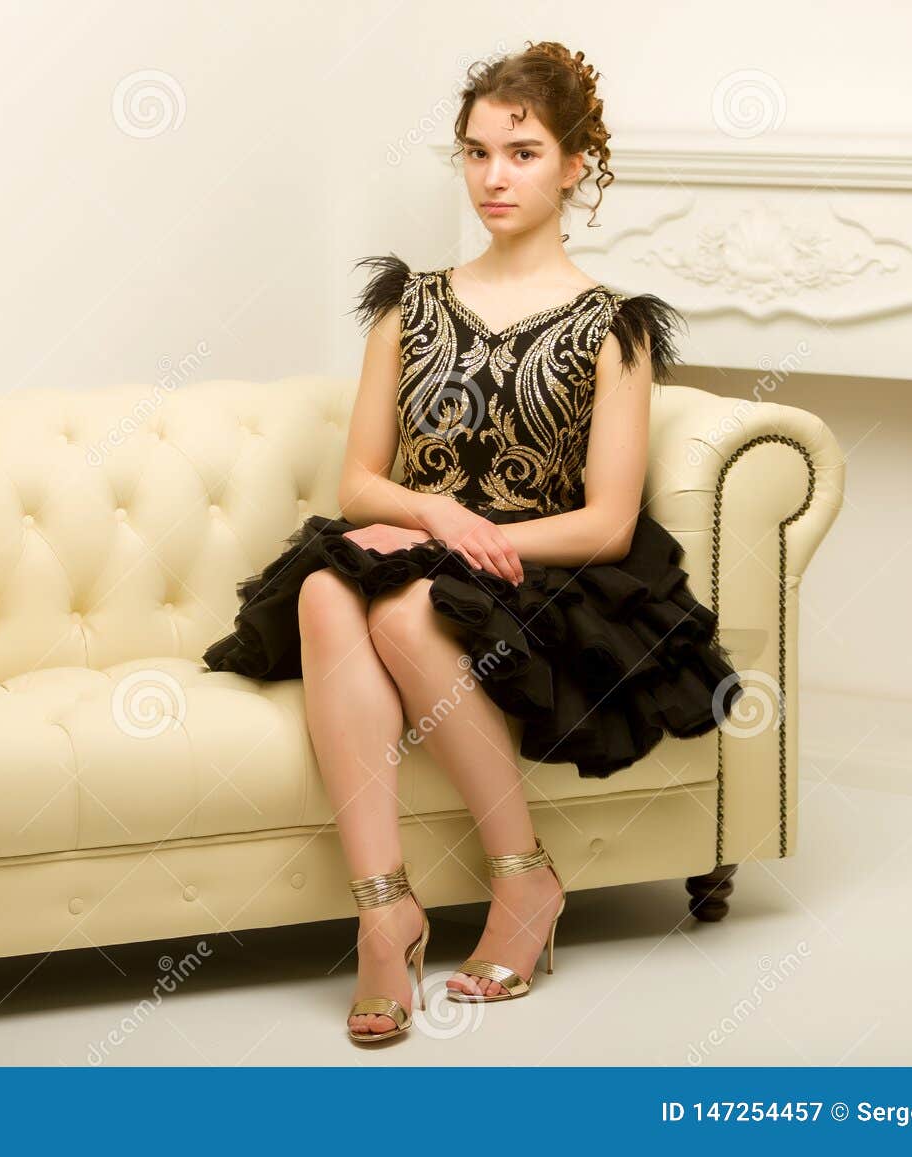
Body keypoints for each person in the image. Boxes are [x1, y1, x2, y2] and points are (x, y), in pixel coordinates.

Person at [201, 40, 741, 1044]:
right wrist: (438, 516)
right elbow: (359, 480)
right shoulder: (409, 307)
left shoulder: (610, 327)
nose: (494, 176)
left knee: (405, 606)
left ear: (576, 164)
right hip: (423, 541)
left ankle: (525, 881)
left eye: (524, 152)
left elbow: (609, 518)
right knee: (324, 591)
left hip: (542, 571)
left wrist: (480, 539)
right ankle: (382, 909)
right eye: (477, 151)